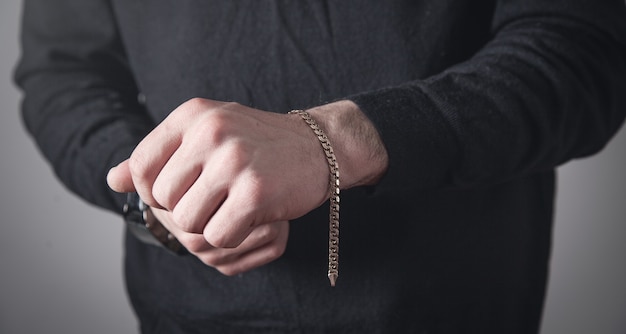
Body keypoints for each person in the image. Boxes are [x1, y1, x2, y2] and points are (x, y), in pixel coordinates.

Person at [15, 0, 626, 333]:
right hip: (187, 315)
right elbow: (63, 73)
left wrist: (331, 141)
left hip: (451, 309)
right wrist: (157, 197)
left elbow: (583, 50)